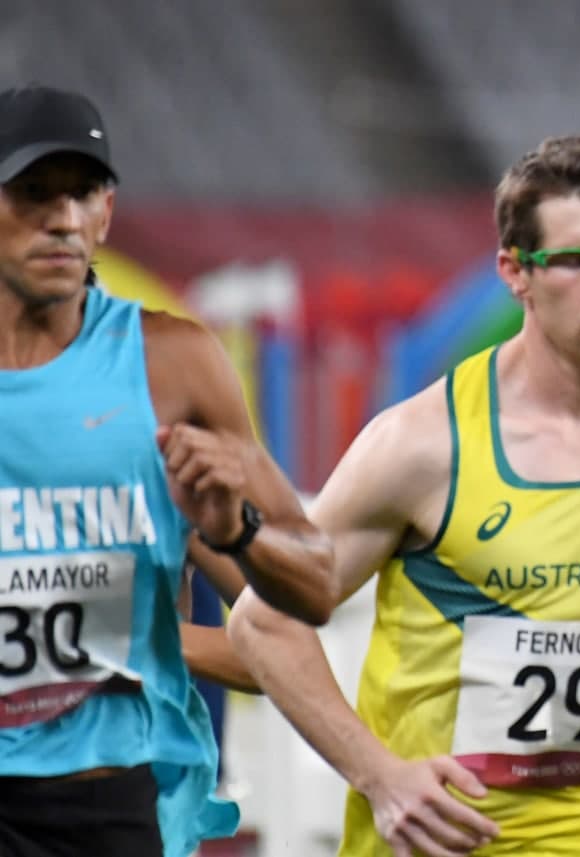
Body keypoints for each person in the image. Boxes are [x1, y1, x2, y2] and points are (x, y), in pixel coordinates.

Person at [227, 135, 580, 857]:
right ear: (516, 271)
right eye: (575, 261)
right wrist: (379, 776)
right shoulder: (422, 446)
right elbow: (264, 622)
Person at [0, 85, 336, 857]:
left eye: (83, 193)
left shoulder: (171, 366)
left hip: (103, 806)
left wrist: (233, 533)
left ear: (108, 212)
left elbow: (312, 591)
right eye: (34, 193)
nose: (63, 218)